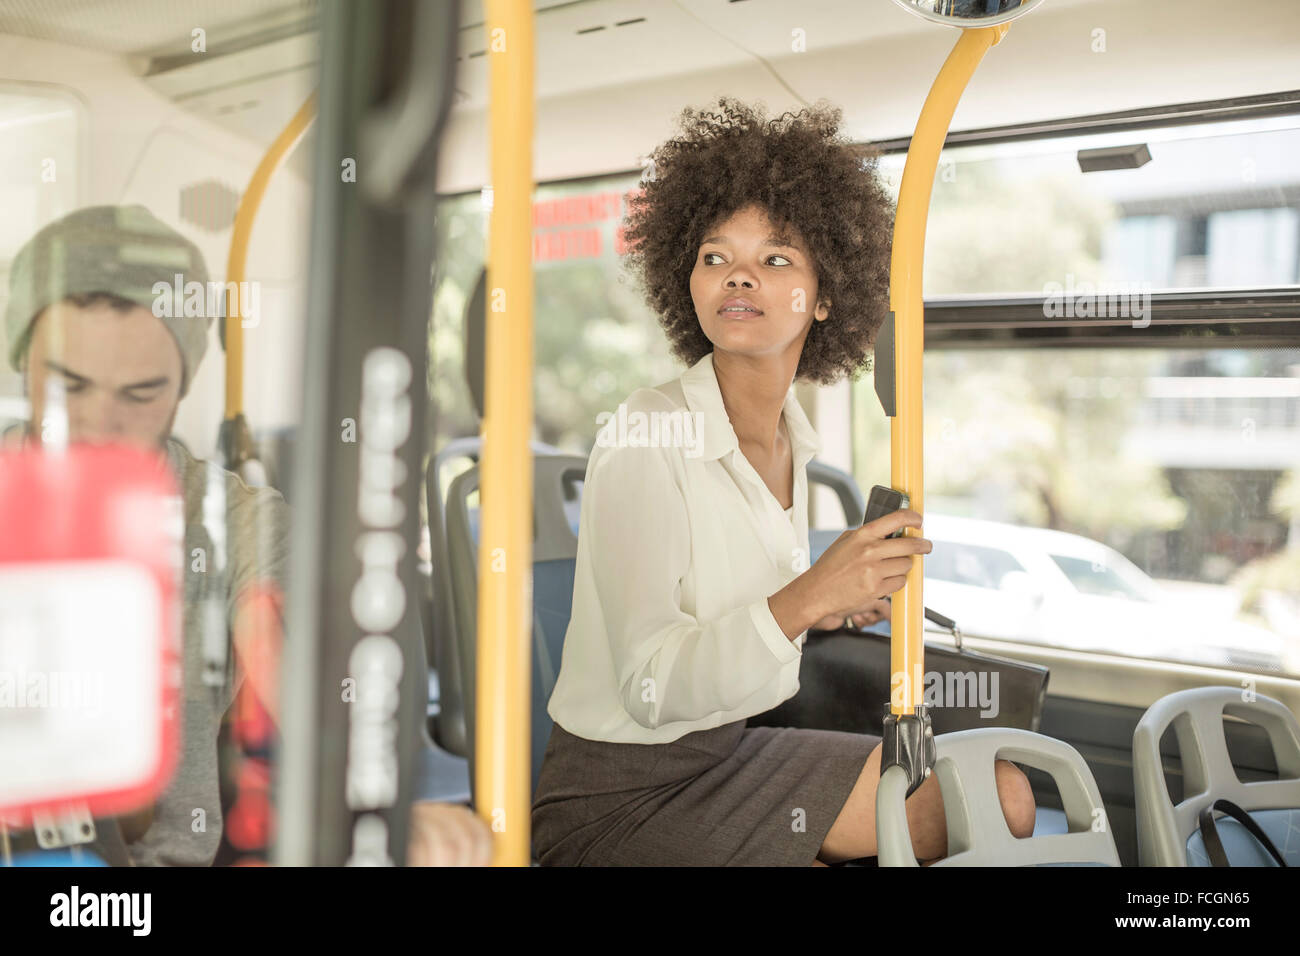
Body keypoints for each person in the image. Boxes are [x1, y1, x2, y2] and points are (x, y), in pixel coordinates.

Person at [532, 98, 1037, 866]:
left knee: (1002, 796)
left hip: (734, 751)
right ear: (688, 282)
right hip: (621, 793)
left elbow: (738, 614)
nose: (739, 275)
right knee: (979, 806)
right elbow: (648, 684)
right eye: (714, 256)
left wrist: (827, 608)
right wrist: (806, 596)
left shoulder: (792, 444)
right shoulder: (647, 433)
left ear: (825, 296)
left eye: (775, 259)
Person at [2, 205, 490, 867]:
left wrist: (372, 805)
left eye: (141, 393)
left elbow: (282, 650)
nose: (99, 425)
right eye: (69, 385)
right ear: (20, 359)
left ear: (182, 386)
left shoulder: (233, 521)